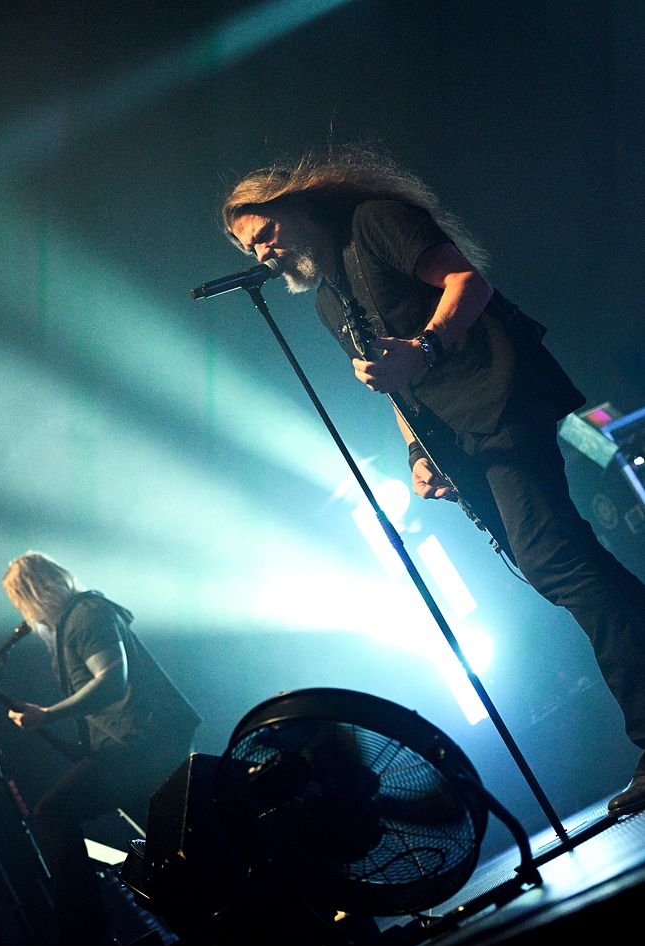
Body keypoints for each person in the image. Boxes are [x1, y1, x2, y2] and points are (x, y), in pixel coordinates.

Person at [220, 147, 645, 818]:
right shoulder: (329, 303)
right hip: (459, 438)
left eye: (265, 232)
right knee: (564, 564)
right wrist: (418, 454)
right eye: (251, 248)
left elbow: (467, 282)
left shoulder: (374, 223)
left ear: (294, 206)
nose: (264, 254)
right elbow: (395, 387)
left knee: (556, 560)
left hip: (503, 399)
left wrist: (424, 346)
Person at [2, 551, 201, 946]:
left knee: (52, 814)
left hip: (139, 746)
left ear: (33, 594)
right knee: (172, 852)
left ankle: (86, 938)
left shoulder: (86, 614)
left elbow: (112, 680)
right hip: (135, 747)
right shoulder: (75, 622)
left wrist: (48, 714)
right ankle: (205, 933)